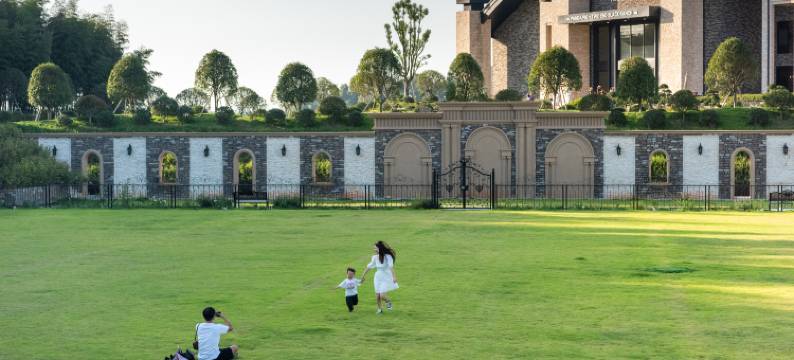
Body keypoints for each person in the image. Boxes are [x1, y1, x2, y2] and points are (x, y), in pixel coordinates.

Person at [359, 241, 398, 314]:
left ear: (380, 248)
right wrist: (363, 276)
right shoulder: (374, 257)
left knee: (382, 295)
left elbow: (391, 267)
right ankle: (379, 310)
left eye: (375, 248)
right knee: (377, 296)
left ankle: (388, 301)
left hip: (386, 276)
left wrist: (394, 277)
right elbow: (369, 267)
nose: (374, 250)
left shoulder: (388, 256)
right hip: (377, 277)